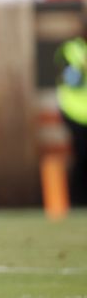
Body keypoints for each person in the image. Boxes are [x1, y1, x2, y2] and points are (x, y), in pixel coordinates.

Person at [54, 31, 87, 205]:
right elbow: (70, 80)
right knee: (81, 156)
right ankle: (78, 201)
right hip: (75, 113)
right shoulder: (72, 49)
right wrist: (81, 67)